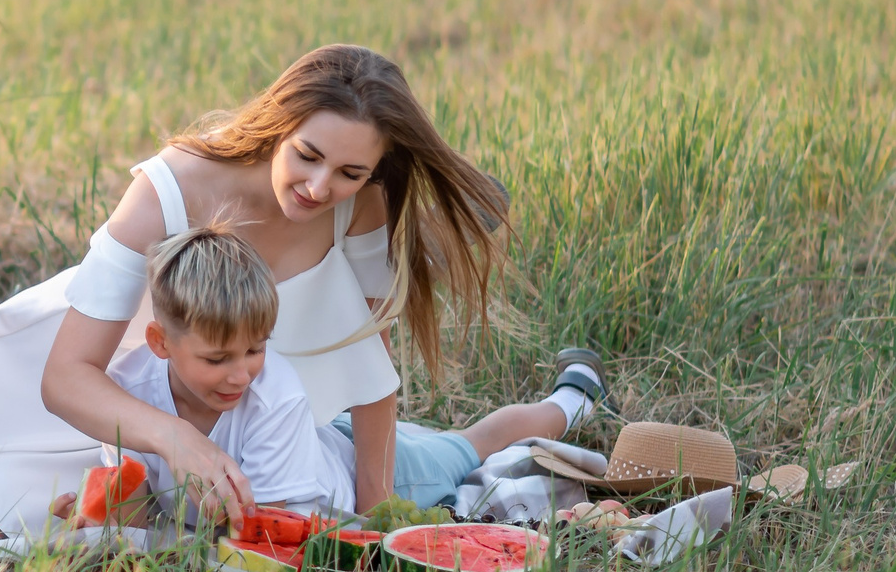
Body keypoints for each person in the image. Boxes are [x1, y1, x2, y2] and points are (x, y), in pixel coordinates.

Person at [0, 44, 572, 540]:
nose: (320, 188)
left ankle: (568, 402)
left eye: (350, 171)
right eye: (308, 154)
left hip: (253, 410)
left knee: (449, 456)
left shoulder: (362, 206)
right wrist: (176, 439)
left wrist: (373, 505)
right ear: (279, 122)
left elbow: (373, 363)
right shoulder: (170, 188)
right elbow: (65, 378)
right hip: (103, 398)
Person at [48, 226, 609, 529]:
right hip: (320, 439)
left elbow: (272, 536)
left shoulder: (274, 399)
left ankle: (574, 398)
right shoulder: (128, 391)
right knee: (453, 440)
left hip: (353, 481)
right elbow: (149, 499)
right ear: (160, 344)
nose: (240, 373)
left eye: (255, 349)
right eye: (217, 359)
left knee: (470, 445)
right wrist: (111, 508)